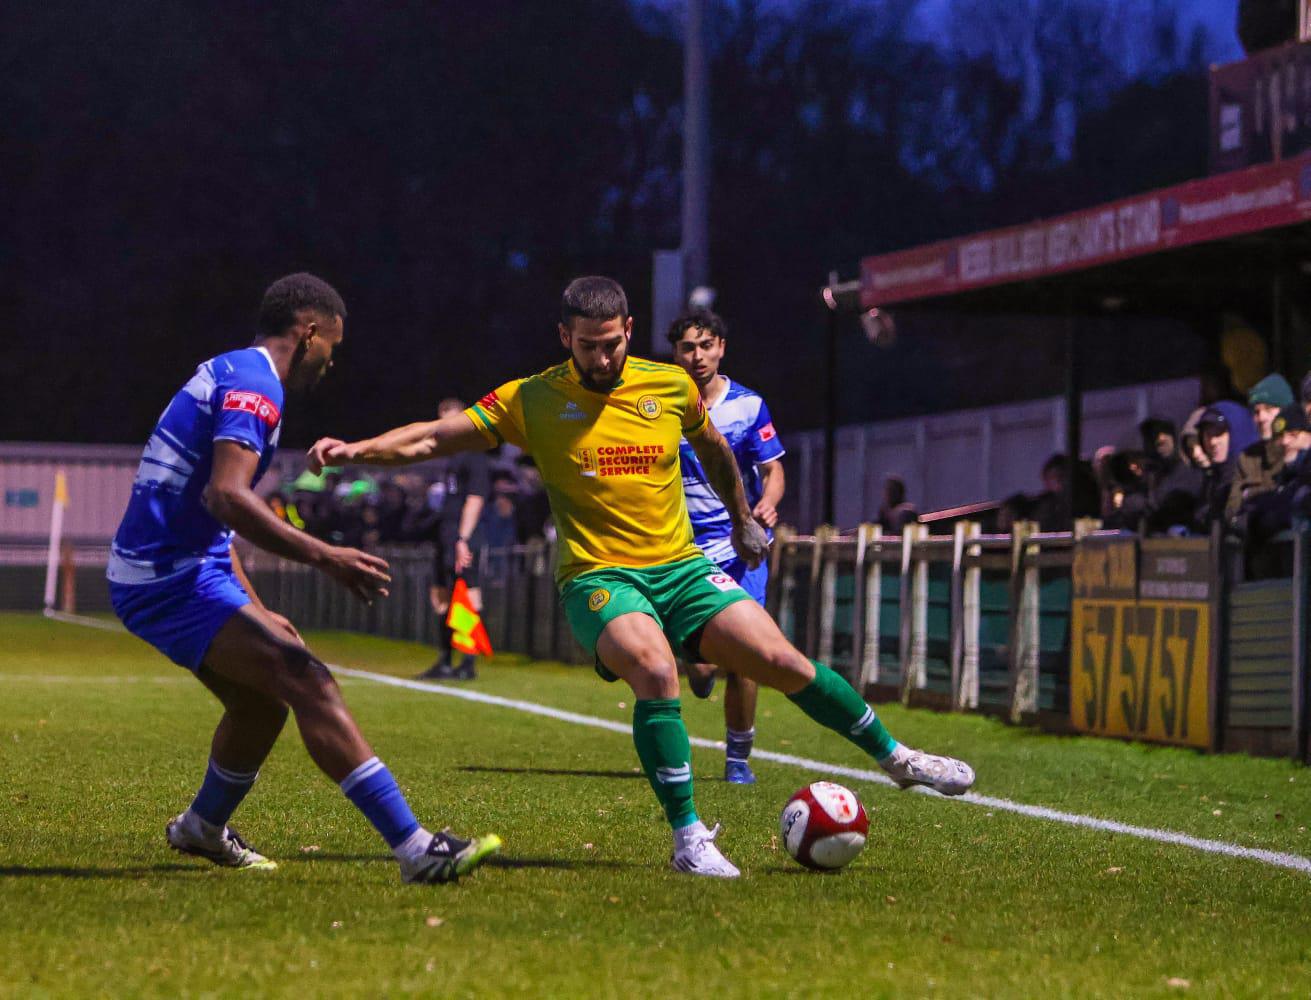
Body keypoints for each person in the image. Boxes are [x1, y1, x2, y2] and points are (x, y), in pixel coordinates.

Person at [309, 276, 974, 879]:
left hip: (683, 568)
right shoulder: (532, 398)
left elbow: (715, 449)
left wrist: (742, 518)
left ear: (629, 329)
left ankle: (897, 760)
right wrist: (356, 451)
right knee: (656, 671)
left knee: (780, 660)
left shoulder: (669, 385)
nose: (601, 359)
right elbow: (433, 437)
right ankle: (689, 839)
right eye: (587, 347)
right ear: (563, 337)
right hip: (598, 577)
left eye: (611, 344)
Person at [106, 273, 500, 884]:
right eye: (332, 348)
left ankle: (201, 828)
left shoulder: (234, 370)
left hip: (178, 566)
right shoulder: (257, 387)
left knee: (261, 705)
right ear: (310, 333)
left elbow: (212, 518)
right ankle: (415, 849)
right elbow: (227, 496)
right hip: (166, 577)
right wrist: (326, 556)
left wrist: (254, 607)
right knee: (310, 681)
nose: (330, 362)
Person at [666, 307, 785, 785]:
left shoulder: (749, 406)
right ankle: (695, 661)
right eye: (687, 347)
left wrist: (767, 504)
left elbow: (773, 469)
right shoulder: (662, 407)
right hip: (684, 550)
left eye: (705, 345)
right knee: (701, 668)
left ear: (721, 349)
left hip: (740, 547)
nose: (697, 356)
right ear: (675, 354)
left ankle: (738, 760)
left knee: (746, 654)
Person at [415, 398, 490, 681]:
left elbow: (476, 498)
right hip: (445, 535)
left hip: (462, 537)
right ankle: (445, 660)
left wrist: (463, 538)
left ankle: (468, 663)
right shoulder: (450, 457)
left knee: (468, 594)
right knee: (440, 596)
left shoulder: (474, 454)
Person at [1227, 374, 1296, 522]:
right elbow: (1232, 509)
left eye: (1269, 409)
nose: (1261, 418)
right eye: (1256, 412)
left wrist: (1251, 495)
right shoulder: (1247, 457)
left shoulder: (1299, 450)